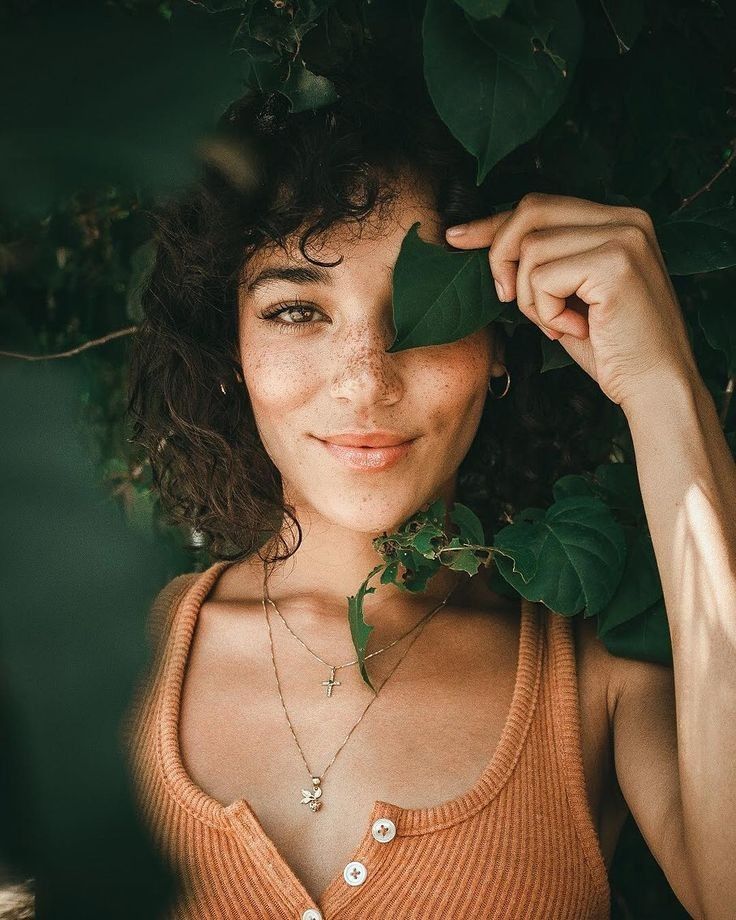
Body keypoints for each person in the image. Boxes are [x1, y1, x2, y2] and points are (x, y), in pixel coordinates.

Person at [124, 65, 625, 920]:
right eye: (295, 311)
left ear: (503, 344)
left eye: (425, 309)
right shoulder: (108, 664)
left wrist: (661, 383)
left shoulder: (604, 672)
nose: (365, 383)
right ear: (230, 347)